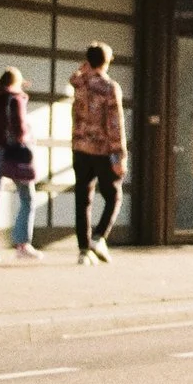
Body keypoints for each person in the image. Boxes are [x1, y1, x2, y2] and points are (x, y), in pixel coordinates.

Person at [68, 43, 126, 265]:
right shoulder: (109, 87)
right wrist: (119, 156)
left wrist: (82, 69)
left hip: (79, 149)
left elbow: (74, 77)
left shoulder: (79, 84)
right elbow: (115, 123)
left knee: (82, 199)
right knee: (114, 195)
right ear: (107, 61)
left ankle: (83, 251)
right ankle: (99, 237)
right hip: (102, 150)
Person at [0, 67, 41, 262]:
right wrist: (27, 139)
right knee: (27, 197)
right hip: (13, 153)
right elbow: (20, 126)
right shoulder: (15, 98)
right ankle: (22, 244)